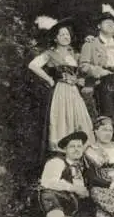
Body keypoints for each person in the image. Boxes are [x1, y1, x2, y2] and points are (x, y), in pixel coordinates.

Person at [7, 131, 94, 217]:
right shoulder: (57, 162)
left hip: (71, 205)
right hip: (49, 202)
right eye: (72, 146)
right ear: (65, 150)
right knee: (48, 194)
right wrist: (74, 188)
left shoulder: (82, 167)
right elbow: (48, 182)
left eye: (79, 146)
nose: (76, 149)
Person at [29, 16, 94, 153]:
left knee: (79, 118)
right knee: (61, 120)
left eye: (67, 34)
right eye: (62, 34)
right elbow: (33, 65)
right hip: (60, 91)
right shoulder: (50, 53)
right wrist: (49, 79)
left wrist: (79, 80)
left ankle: (80, 151)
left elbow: (83, 68)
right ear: (55, 38)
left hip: (74, 92)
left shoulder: (74, 53)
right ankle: (62, 151)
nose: (66, 37)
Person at [80, 4, 114, 130]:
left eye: (112, 23)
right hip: (104, 81)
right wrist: (98, 71)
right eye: (106, 22)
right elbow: (83, 66)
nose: (110, 24)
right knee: (109, 115)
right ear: (99, 26)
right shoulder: (91, 44)